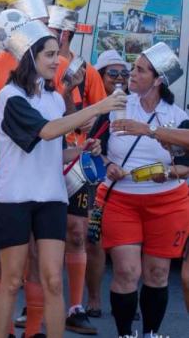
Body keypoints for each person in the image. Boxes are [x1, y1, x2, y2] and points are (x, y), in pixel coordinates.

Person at [0, 21, 125, 338]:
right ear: (29, 57)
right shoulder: (10, 97)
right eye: (50, 55)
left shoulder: (52, 98)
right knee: (11, 281)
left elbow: (53, 151)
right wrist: (101, 105)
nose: (57, 61)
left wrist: (79, 149)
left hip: (51, 197)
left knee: (52, 280)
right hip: (14, 199)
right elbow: (46, 132)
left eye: (56, 54)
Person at [91, 42, 189, 338]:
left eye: (140, 70)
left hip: (168, 201)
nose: (130, 74)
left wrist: (169, 169)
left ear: (158, 79)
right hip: (121, 199)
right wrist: (107, 163)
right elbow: (95, 149)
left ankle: (150, 333)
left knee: (157, 274)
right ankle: (124, 334)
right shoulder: (116, 105)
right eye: (133, 68)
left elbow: (186, 165)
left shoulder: (176, 114)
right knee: (126, 272)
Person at [45, 7, 108, 335]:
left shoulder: (88, 71)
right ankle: (36, 305)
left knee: (78, 232)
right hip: (44, 160)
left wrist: (86, 130)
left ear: (65, 34)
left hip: (77, 162)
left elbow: (98, 115)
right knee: (39, 237)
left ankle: (75, 306)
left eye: (54, 32)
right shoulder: (37, 69)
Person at [84, 49, 132, 319]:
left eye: (124, 74)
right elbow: (90, 145)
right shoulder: (99, 107)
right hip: (99, 183)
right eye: (112, 73)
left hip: (130, 186)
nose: (119, 79)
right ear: (99, 76)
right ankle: (93, 299)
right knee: (95, 242)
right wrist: (106, 162)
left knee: (129, 246)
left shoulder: (134, 105)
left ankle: (127, 299)